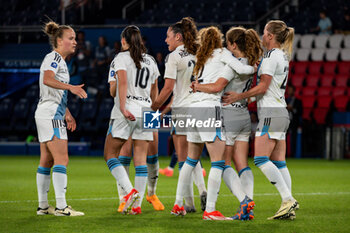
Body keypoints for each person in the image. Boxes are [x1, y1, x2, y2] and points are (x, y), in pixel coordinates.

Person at [222, 20, 299, 220]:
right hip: (281, 111)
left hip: (271, 113)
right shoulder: (282, 56)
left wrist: (240, 96)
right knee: (280, 162)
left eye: (264, 32)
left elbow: (263, 87)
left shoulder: (272, 57)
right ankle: (287, 208)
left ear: (271, 36)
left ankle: (288, 199)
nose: (262, 36)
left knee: (260, 159)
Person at [177, 26, 256, 221]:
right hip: (209, 108)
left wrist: (197, 86)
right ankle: (211, 209)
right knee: (219, 162)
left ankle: (178, 204)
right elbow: (242, 70)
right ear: (218, 40)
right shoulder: (222, 53)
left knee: (190, 160)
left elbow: (197, 83)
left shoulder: (201, 58)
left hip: (193, 108)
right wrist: (255, 67)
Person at [151, 17, 208, 213]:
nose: (166, 40)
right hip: (201, 106)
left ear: (178, 36)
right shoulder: (199, 53)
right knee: (194, 154)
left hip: (183, 108)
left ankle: (186, 203)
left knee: (184, 158)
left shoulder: (174, 56)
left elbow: (167, 88)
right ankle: (201, 191)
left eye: (168, 37)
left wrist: (154, 107)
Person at [105, 25, 159, 215]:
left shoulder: (120, 58)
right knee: (141, 161)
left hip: (127, 110)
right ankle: (136, 207)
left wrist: (122, 107)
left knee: (110, 154)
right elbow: (155, 92)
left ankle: (129, 193)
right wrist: (153, 116)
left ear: (123, 41)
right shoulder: (151, 61)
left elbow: (121, 85)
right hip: (147, 110)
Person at [35, 21, 87, 216]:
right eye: (71, 38)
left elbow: (51, 90)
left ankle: (42, 206)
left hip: (48, 112)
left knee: (47, 159)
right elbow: (47, 79)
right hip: (50, 114)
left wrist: (67, 113)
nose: (75, 42)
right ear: (59, 40)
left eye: (75, 39)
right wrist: (71, 87)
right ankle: (61, 207)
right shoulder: (54, 57)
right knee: (62, 158)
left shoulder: (59, 60)